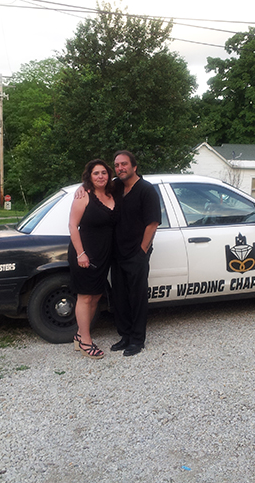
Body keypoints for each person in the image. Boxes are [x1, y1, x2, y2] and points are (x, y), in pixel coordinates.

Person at [109, 150, 161, 356]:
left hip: (136, 253)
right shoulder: (116, 187)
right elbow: (95, 188)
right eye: (117, 165)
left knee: (137, 297)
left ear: (134, 166)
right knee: (120, 297)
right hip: (116, 252)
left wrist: (142, 250)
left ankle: (137, 340)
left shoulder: (146, 190)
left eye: (124, 164)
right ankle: (125, 336)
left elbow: (153, 222)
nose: (120, 168)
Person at [67, 159, 117, 359]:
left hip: (103, 254)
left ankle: (80, 335)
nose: (100, 176)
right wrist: (81, 253)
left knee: (96, 295)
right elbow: (72, 226)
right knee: (85, 296)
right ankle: (86, 342)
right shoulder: (83, 196)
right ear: (89, 176)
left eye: (104, 173)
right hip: (84, 254)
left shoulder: (113, 194)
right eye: (96, 173)